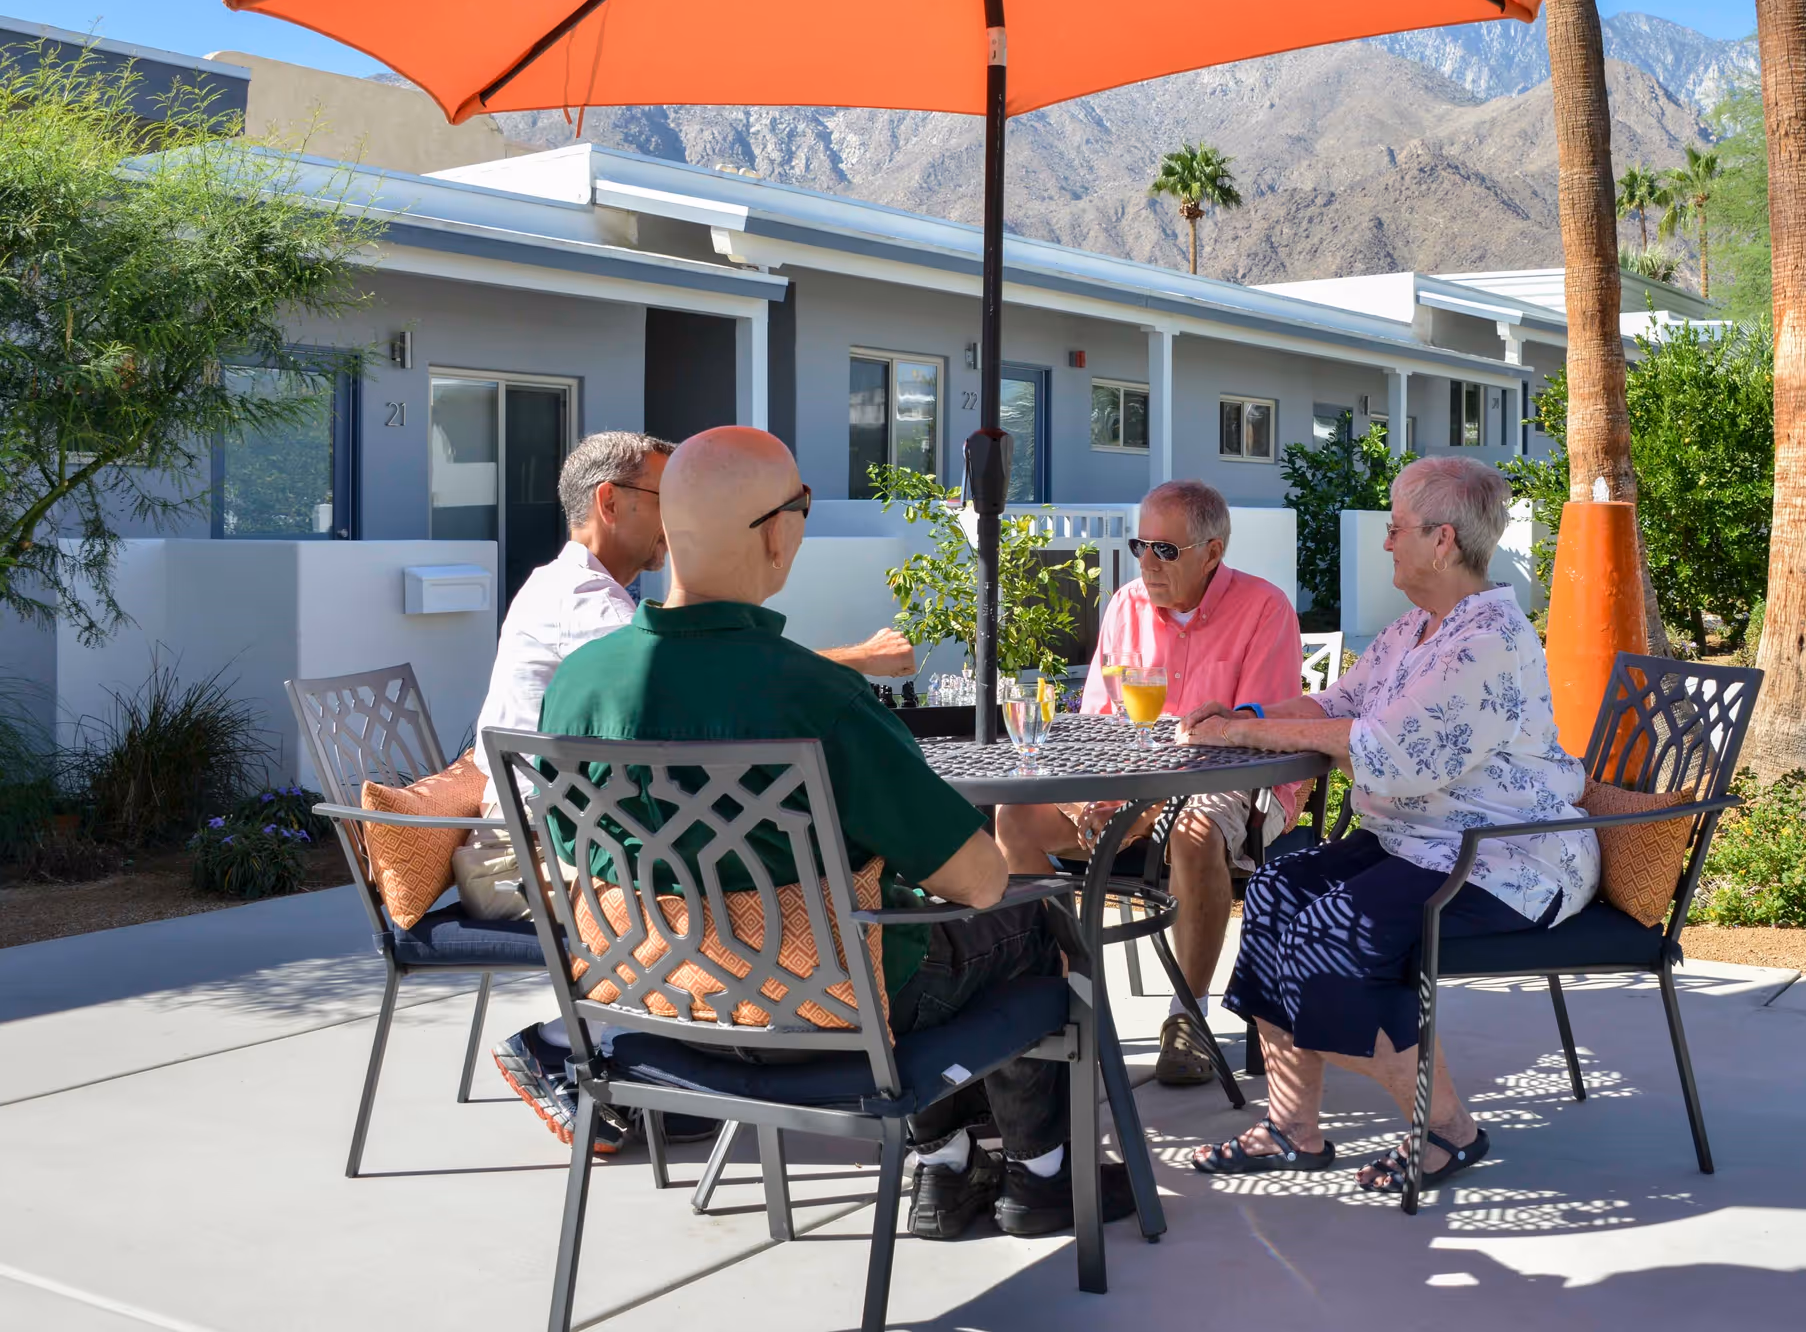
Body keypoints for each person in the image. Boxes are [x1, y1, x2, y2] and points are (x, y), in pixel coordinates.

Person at [535, 426, 1137, 1241]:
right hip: (825, 1013)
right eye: (803, 508)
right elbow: (979, 880)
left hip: (660, 1007)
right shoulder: (814, 695)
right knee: (1027, 925)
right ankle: (1042, 1177)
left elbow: (577, 856)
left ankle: (950, 1165)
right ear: (777, 532)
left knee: (911, 942)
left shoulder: (578, 685)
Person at [478, 430, 916, 1156]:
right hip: (536, 856)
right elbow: (696, 668)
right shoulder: (580, 600)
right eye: (666, 498)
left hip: (592, 841)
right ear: (609, 502)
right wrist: (856, 661)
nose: (680, 521)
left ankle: (690, 1069)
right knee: (756, 888)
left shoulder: (586, 596)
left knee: (725, 872)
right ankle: (564, 1041)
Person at [1179, 457, 1596, 1195]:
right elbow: (1336, 705)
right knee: (1276, 891)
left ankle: (1449, 1130)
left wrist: (1245, 738)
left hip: (1501, 857)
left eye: (1395, 529)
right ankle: (1292, 1128)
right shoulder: (1417, 628)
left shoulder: (1486, 640)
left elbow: (1382, 749)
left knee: (1331, 935)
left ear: (1442, 541)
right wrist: (1241, 717)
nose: (1385, 543)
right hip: (1415, 841)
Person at [995, 479, 1302, 1087]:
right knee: (1015, 816)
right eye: (1141, 545)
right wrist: (1093, 798)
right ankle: (1056, 993)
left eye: (1165, 550)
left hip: (1229, 778)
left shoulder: (1265, 609)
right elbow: (1094, 726)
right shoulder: (1126, 606)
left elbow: (1251, 739)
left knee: (1192, 831)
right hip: (1129, 782)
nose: (1146, 563)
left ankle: (1187, 1013)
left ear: (1212, 552)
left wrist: (1145, 804)